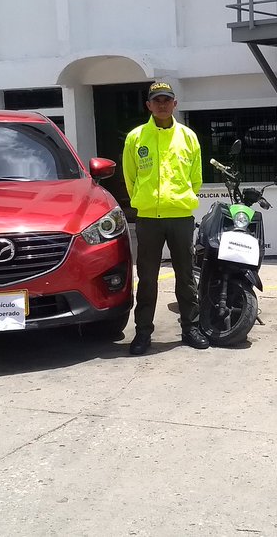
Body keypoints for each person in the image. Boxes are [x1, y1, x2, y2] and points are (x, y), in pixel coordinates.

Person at [122, 82, 209, 355]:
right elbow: (130, 178)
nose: (162, 104)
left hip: (180, 216)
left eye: (166, 100)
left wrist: (180, 199)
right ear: (149, 105)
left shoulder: (188, 137)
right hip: (149, 219)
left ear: (175, 104)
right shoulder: (136, 138)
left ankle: (190, 327)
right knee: (147, 278)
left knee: (186, 276)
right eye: (157, 100)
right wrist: (145, 201)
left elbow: (196, 178)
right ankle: (143, 333)